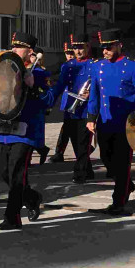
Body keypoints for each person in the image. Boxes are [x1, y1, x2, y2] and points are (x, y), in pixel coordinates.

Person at [85, 29, 135, 216]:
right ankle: (127, 185)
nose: (105, 51)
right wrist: (91, 117)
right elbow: (94, 94)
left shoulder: (133, 66)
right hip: (106, 119)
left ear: (119, 45)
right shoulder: (98, 66)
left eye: (109, 47)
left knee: (123, 163)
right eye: (103, 48)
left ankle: (118, 202)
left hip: (126, 122)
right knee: (106, 158)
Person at [0, 32, 56, 230]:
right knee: (4, 172)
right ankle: (32, 198)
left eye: (18, 47)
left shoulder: (39, 74)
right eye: (12, 46)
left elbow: (49, 100)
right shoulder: (4, 69)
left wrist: (33, 86)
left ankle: (12, 218)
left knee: (17, 175)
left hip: (25, 132)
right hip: (3, 130)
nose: (13, 50)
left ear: (30, 52)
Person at [54, 35, 96, 182]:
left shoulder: (94, 65)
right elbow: (59, 86)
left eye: (81, 48)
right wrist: (49, 100)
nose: (78, 51)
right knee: (76, 143)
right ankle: (88, 170)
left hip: (86, 110)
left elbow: (100, 86)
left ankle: (79, 173)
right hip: (71, 109)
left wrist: (91, 93)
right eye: (75, 48)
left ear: (87, 47)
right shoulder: (68, 66)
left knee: (83, 143)